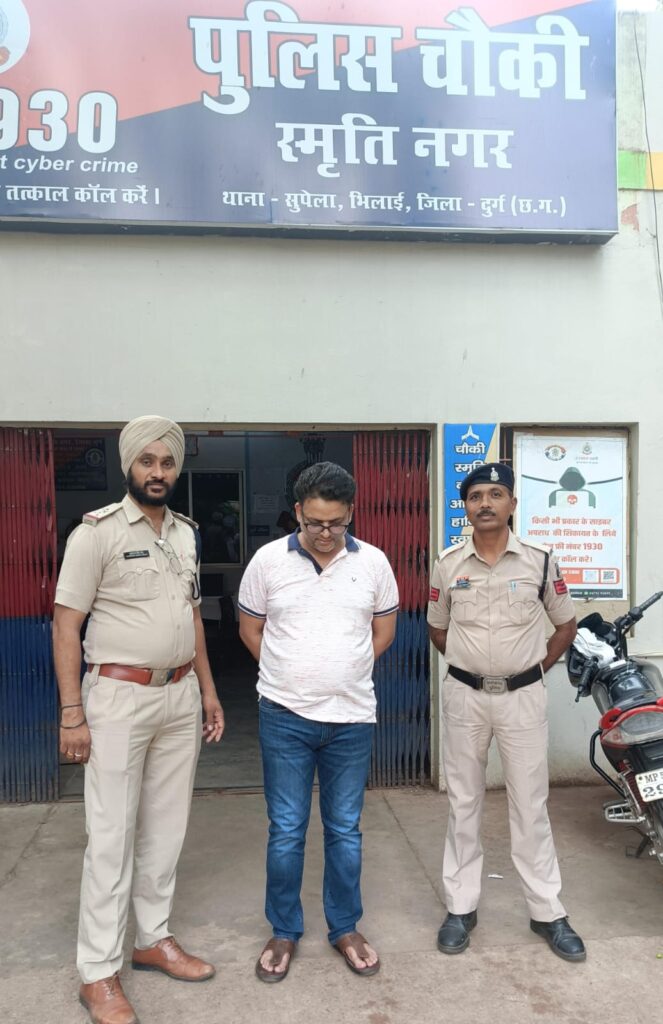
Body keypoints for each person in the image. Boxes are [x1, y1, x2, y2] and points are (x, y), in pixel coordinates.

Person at [53, 415, 225, 1024]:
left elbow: (192, 617)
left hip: (179, 695)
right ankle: (98, 972)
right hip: (117, 699)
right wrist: (72, 713)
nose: (158, 472)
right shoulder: (95, 534)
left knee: (166, 828)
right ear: (129, 465)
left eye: (167, 462)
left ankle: (152, 939)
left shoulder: (186, 533)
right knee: (111, 837)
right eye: (147, 461)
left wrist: (208, 691)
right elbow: (66, 625)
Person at [238, 462, 398, 982]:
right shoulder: (268, 561)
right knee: (286, 830)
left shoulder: (373, 563)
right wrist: (288, 675)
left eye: (337, 523)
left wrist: (345, 671)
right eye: (315, 523)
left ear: (351, 513)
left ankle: (344, 927)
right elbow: (250, 629)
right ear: (298, 512)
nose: (326, 534)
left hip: (351, 720)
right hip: (283, 718)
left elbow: (384, 631)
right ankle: (284, 930)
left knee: (345, 829)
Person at [428, 462, 585, 963]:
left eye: (496, 495)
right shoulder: (448, 564)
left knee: (530, 804)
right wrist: (471, 666)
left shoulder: (539, 561)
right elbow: (437, 628)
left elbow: (565, 624)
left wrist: (534, 668)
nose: (486, 504)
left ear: (513, 504)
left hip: (523, 698)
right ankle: (460, 907)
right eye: (476, 496)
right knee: (464, 802)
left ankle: (547, 911)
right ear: (465, 507)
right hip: (465, 697)